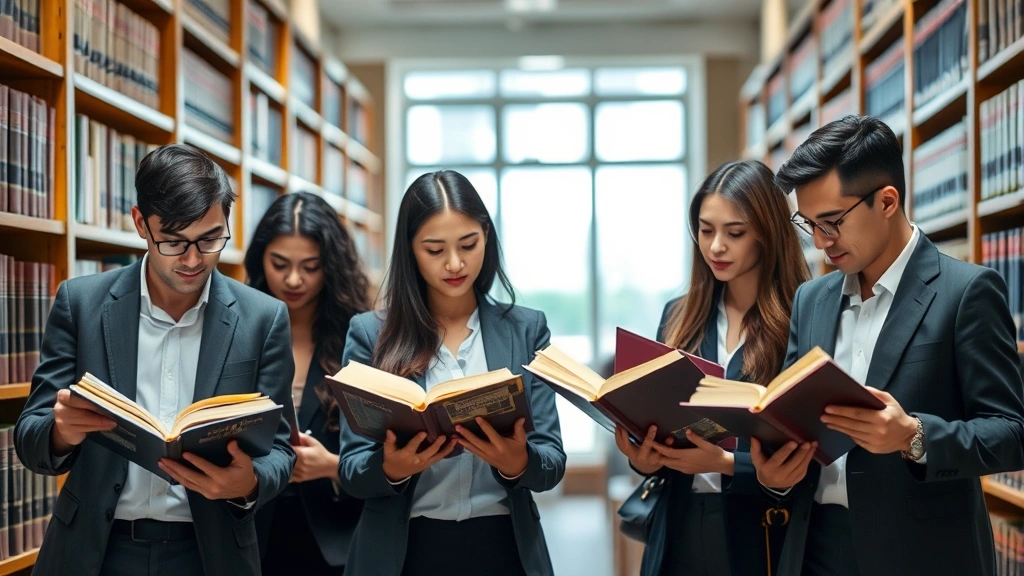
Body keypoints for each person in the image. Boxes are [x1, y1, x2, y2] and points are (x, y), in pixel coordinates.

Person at [753, 115, 1024, 576]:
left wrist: (913, 436)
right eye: (809, 224)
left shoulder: (967, 292)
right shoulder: (811, 300)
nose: (820, 243)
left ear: (886, 201)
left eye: (832, 222)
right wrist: (773, 475)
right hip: (815, 548)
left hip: (921, 554)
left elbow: (1011, 434)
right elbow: (793, 418)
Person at [14, 144, 296, 576]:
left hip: (208, 553)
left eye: (209, 239)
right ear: (141, 223)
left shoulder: (263, 318)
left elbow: (280, 449)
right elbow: (30, 438)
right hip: (96, 550)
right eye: (174, 241)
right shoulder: (81, 303)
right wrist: (61, 433)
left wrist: (250, 483)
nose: (192, 259)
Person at [337, 170, 566, 576]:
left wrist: (517, 462)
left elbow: (551, 461)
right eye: (434, 249)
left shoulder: (527, 329)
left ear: (487, 239)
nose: (455, 263)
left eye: (468, 244)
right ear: (410, 250)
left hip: (504, 546)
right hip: (404, 550)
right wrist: (393, 468)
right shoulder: (370, 334)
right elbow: (352, 470)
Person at [615, 160, 809, 576]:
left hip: (757, 533)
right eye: (706, 230)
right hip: (677, 525)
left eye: (734, 233)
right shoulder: (678, 315)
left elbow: (807, 452)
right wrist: (644, 457)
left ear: (767, 233)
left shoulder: (802, 318)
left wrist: (725, 464)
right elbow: (657, 417)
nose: (716, 246)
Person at [246, 192, 371, 575]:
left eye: (311, 266)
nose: (294, 279)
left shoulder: (362, 335)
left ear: (331, 267)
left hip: (334, 540)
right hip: (249, 532)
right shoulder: (239, 326)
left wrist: (333, 466)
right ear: (259, 259)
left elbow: (385, 453)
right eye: (279, 264)